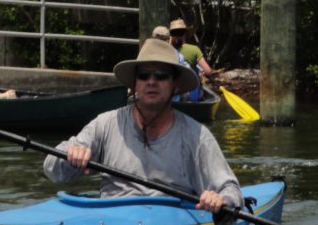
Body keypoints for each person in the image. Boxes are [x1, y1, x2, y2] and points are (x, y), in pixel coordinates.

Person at [43, 39, 242, 215]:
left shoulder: (197, 136)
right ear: (134, 84)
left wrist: (221, 200)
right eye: (144, 76)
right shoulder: (105, 124)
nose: (151, 82)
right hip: (111, 222)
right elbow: (52, 170)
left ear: (176, 86)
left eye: (161, 76)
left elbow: (230, 190)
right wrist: (72, 156)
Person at [169, 18, 214, 102]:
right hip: (191, 93)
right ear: (185, 34)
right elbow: (208, 71)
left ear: (171, 35)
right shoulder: (194, 50)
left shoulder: (165, 50)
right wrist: (201, 73)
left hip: (171, 93)